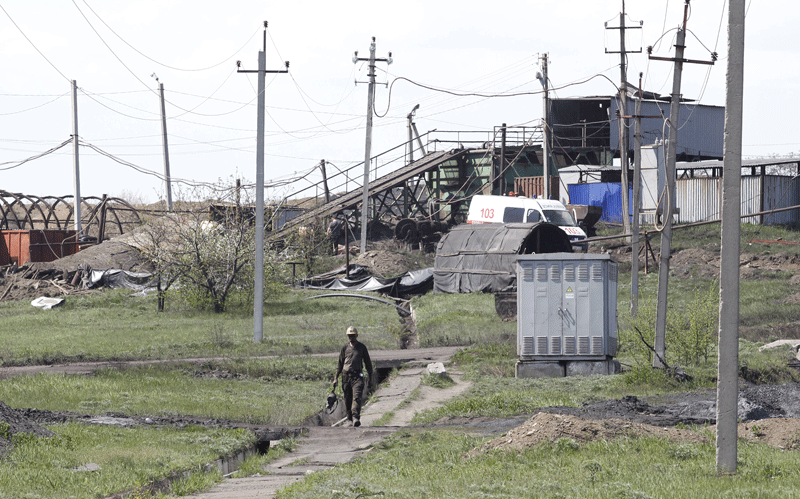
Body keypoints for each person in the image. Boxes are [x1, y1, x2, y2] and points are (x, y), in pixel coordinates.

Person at [333, 326, 373, 427]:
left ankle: (356, 417)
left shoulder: (361, 347)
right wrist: (336, 378)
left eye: (353, 335)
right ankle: (349, 418)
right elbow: (340, 364)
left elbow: (368, 363)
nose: (351, 337)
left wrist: (370, 378)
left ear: (357, 335)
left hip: (357, 377)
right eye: (349, 336)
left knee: (357, 397)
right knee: (348, 399)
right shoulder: (345, 348)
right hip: (346, 377)